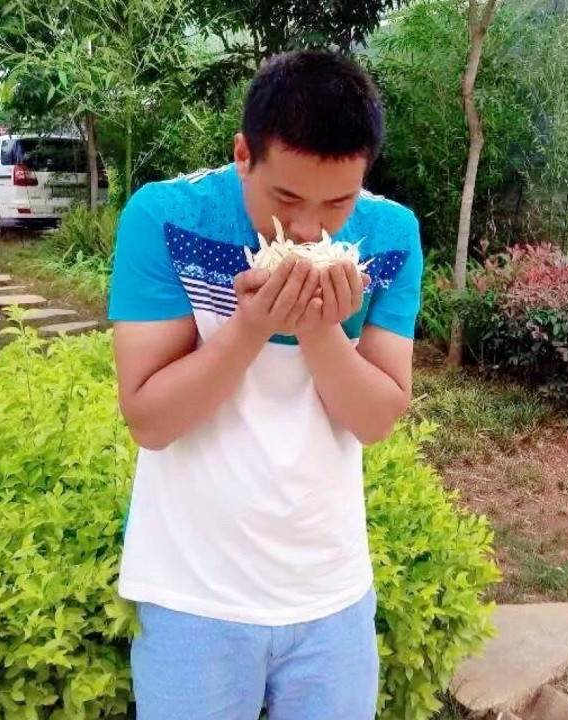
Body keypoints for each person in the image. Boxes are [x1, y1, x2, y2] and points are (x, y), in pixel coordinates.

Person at [108, 49, 423, 720]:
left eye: (337, 202)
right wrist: (251, 326)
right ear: (243, 154)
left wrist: (319, 329)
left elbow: (375, 419)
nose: (308, 228)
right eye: (286, 198)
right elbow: (150, 420)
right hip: (191, 596)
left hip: (331, 596)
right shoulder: (164, 217)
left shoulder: (392, 235)